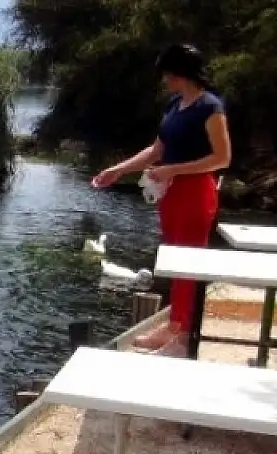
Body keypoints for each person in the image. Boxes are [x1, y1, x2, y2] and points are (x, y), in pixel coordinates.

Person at [92, 43, 231, 356]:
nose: (165, 79)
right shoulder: (174, 105)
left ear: (181, 72)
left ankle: (183, 335)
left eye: (168, 73)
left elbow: (222, 157)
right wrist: (119, 169)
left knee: (190, 260)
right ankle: (175, 324)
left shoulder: (211, 107)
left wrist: (173, 169)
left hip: (196, 190)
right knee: (173, 256)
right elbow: (156, 151)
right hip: (172, 192)